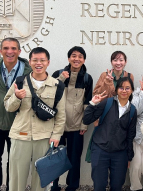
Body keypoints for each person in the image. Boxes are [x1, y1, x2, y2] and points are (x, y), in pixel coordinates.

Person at [4, 47, 66, 191]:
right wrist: (16, 97)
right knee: (17, 177)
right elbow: (8, 106)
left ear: (48, 62)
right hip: (20, 135)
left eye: (42, 60)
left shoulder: (58, 86)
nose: (39, 63)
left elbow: (61, 115)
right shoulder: (19, 82)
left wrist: (57, 135)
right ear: (30, 62)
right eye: (35, 60)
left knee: (41, 178)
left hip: (44, 137)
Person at [0, 37, 32, 191]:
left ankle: (12, 188)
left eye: (14, 48)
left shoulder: (28, 72)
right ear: (1, 51)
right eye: (6, 48)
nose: (10, 52)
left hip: (18, 124)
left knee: (14, 161)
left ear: (19, 51)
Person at [50, 46, 94, 191]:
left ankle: (72, 186)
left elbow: (87, 103)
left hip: (76, 126)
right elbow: (49, 92)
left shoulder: (87, 78)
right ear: (69, 58)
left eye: (80, 56)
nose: (77, 59)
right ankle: (54, 185)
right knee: (55, 157)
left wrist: (84, 124)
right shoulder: (58, 74)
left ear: (84, 60)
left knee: (75, 158)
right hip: (58, 126)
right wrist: (61, 79)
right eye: (74, 56)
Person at [83, 77, 137, 191]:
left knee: (117, 185)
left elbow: (130, 135)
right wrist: (92, 103)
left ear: (132, 90)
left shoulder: (132, 110)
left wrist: (129, 156)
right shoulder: (107, 103)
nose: (124, 90)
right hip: (100, 149)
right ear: (117, 89)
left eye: (127, 88)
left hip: (120, 153)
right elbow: (86, 120)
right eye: (121, 87)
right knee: (99, 185)